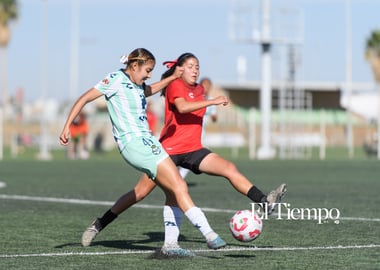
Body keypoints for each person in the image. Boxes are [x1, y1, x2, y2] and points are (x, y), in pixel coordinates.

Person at [80, 52, 287, 257]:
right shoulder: (175, 84)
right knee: (141, 193)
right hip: (168, 150)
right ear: (180, 68)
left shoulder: (199, 89)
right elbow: (182, 107)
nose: (195, 69)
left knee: (229, 168)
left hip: (194, 149)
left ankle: (264, 201)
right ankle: (99, 224)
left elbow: (203, 113)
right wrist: (212, 102)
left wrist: (210, 102)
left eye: (197, 66)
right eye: (190, 66)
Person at [59, 48, 226, 256]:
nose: (149, 75)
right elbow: (84, 98)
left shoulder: (138, 85)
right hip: (134, 144)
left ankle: (105, 225)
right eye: (147, 70)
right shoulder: (115, 79)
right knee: (178, 185)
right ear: (134, 66)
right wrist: (67, 125)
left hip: (148, 142)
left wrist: (173, 76)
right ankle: (209, 235)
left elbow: (150, 89)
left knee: (153, 192)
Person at [178, 77, 216, 178]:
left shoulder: (212, 100)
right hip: (190, 130)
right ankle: (177, 176)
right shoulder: (195, 97)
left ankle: (179, 176)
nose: (206, 88)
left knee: (191, 154)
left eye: (208, 86)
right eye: (204, 85)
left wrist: (214, 117)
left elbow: (214, 117)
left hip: (201, 132)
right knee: (189, 154)